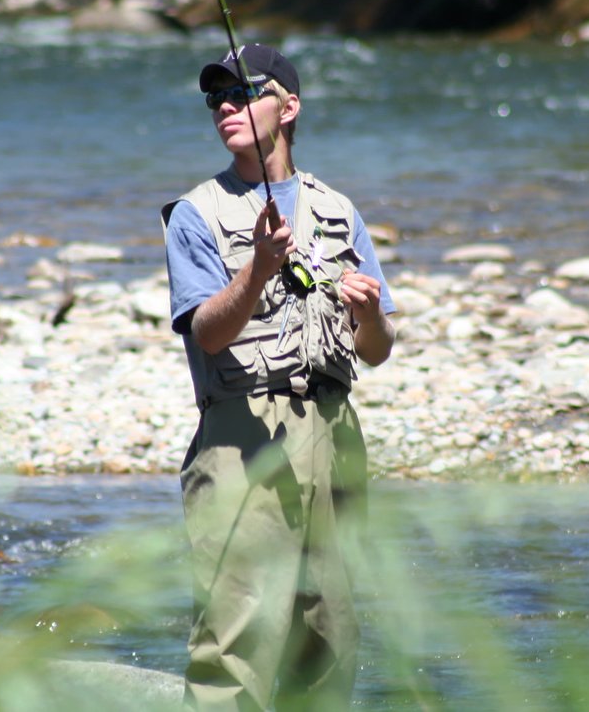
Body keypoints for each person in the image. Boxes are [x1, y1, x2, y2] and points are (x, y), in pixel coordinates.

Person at [161, 44, 397, 711]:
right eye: (215, 99)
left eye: (242, 92)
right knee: (235, 634)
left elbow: (377, 348)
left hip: (334, 435)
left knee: (329, 631)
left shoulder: (339, 211)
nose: (225, 107)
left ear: (288, 106)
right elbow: (207, 331)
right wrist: (258, 268)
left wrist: (369, 312)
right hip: (242, 437)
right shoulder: (195, 214)